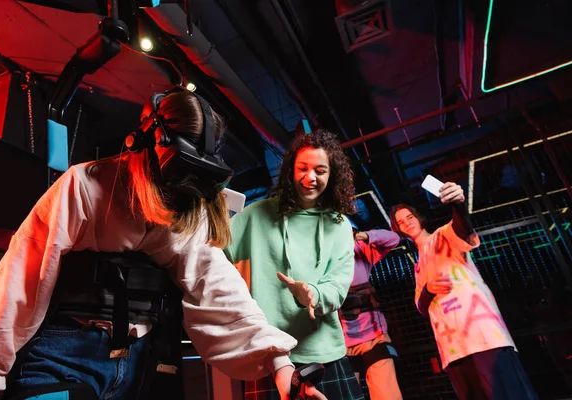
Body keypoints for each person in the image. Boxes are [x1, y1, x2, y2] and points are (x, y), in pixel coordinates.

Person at [0, 89, 320, 400]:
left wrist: (281, 366)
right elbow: (21, 281)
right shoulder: (83, 187)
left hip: (137, 362)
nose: (177, 189)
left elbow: (218, 289)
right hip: (65, 355)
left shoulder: (188, 207)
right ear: (142, 143)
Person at [224, 128, 365, 400]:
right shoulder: (256, 215)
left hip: (323, 351)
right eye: (303, 168)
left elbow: (337, 286)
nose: (310, 177)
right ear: (291, 170)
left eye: (320, 171)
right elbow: (214, 255)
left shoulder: (338, 226)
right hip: (270, 352)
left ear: (331, 174)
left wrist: (312, 293)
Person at [389, 182, 538, 400]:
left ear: (418, 217)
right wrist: (429, 290)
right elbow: (420, 305)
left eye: (409, 217)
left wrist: (458, 204)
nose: (407, 223)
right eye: (401, 222)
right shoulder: (418, 265)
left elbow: (462, 227)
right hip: (452, 349)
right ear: (398, 230)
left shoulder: (443, 235)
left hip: (483, 337)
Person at [340, 227, 403, 400]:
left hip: (373, 336)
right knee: (347, 394)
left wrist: (366, 236)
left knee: (386, 393)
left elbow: (393, 239)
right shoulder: (322, 258)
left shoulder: (360, 250)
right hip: (342, 342)